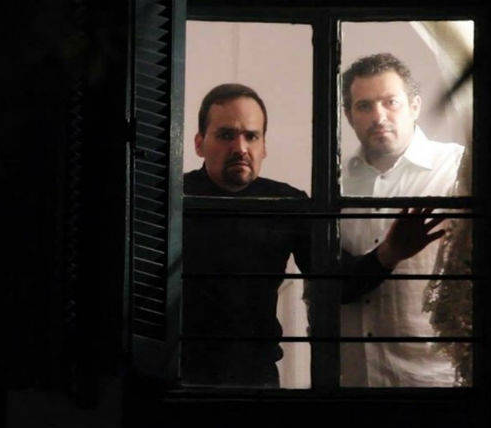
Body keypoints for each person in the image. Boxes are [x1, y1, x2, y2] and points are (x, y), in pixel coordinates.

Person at [181, 83, 446, 387]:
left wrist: (390, 252)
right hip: (175, 376)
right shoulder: (172, 199)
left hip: (255, 378)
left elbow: (335, 282)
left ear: (264, 147)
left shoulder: (285, 204)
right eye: (226, 135)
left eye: (251, 136)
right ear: (199, 144)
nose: (240, 148)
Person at [340, 53, 465, 387]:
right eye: (364, 106)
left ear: (415, 106)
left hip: (433, 381)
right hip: (353, 382)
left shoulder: (458, 169)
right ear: (348, 115)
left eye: (390, 102)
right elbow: (328, 281)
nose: (378, 116)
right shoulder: (334, 184)